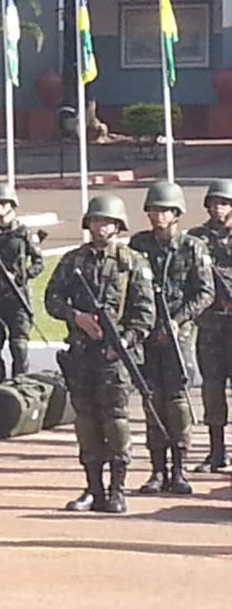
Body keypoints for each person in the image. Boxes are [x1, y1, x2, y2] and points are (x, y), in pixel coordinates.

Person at [45, 195, 155, 514]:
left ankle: (117, 489)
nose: (101, 226)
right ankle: (93, 488)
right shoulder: (73, 261)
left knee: (116, 422)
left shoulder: (133, 262)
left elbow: (144, 314)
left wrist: (122, 341)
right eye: (96, 221)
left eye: (107, 222)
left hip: (116, 359)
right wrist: (75, 316)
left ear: (118, 225)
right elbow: (52, 299)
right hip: (81, 355)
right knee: (87, 423)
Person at [128, 181, 213, 496]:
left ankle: (178, 470)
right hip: (147, 334)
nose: (157, 216)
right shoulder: (138, 245)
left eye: (164, 210)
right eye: (153, 210)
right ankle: (156, 471)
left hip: (179, 335)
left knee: (176, 401)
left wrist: (177, 321)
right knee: (152, 400)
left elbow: (205, 291)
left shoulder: (192, 247)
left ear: (176, 213)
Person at [187, 179, 232, 473]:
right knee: (212, 390)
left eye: (225, 203)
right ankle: (216, 452)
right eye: (215, 203)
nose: (219, 208)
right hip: (211, 324)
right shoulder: (195, 239)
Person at [0, 183, 44, 383]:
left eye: (2, 203)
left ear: (11, 205)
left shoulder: (23, 232)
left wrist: (19, 276)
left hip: (17, 296)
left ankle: (20, 385)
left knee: (19, 346)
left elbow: (38, 263)